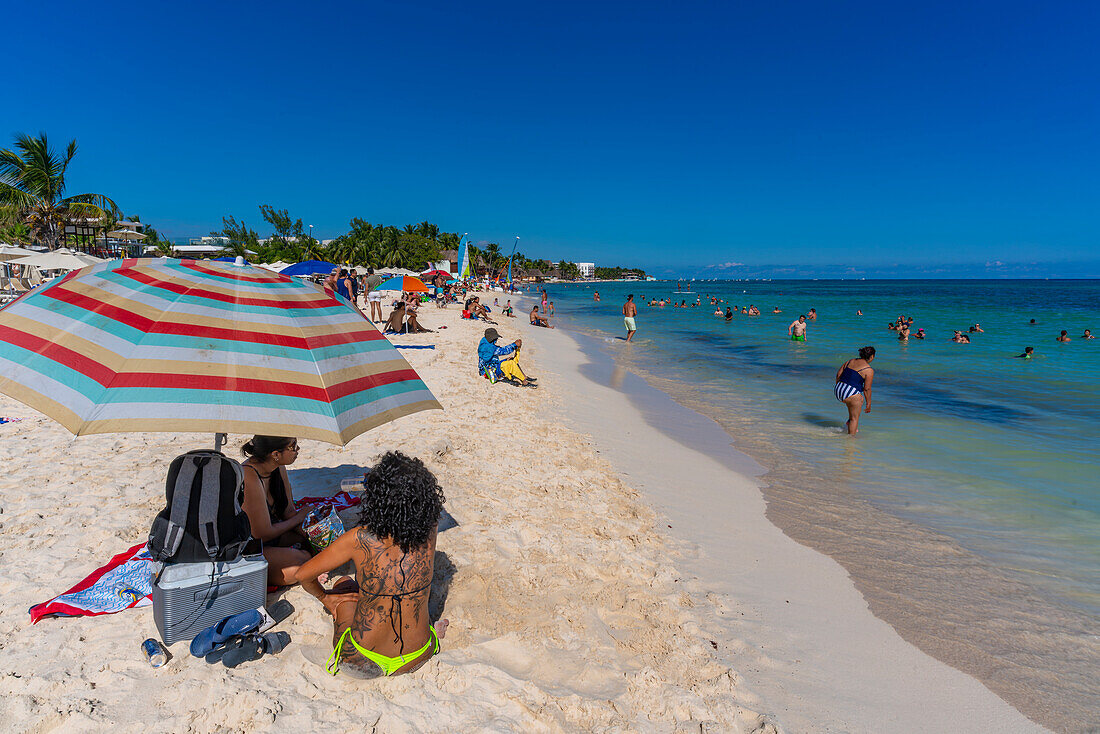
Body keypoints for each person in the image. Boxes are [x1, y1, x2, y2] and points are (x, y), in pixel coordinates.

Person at [296, 451, 449, 678]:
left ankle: (338, 604)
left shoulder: (359, 539)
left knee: (344, 584)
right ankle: (432, 629)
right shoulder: (431, 528)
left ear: (377, 501)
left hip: (363, 659)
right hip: (419, 653)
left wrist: (325, 598)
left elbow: (302, 575)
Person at [241, 436, 314, 585]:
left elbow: (288, 512)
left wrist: (309, 530)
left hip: (274, 533)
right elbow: (263, 534)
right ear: (275, 454)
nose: (297, 449)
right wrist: (299, 518)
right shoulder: (248, 475)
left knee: (318, 544)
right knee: (301, 562)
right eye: (293, 446)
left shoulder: (277, 467)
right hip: (250, 546)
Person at [834, 347, 875, 435]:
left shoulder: (851, 361)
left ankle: (848, 423)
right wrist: (869, 404)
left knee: (858, 399)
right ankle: (851, 441)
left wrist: (840, 388)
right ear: (872, 357)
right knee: (855, 418)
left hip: (838, 389)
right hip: (850, 393)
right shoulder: (869, 370)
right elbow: (867, 389)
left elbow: (838, 375)